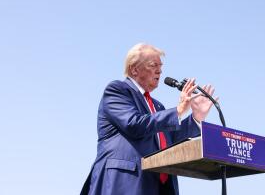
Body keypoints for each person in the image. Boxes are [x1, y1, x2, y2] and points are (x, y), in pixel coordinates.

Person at [80, 43, 216, 195]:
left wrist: (196, 117)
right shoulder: (117, 90)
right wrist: (178, 111)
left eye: (161, 65)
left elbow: (170, 140)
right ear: (134, 69)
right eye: (153, 65)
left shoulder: (158, 106)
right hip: (124, 182)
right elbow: (134, 124)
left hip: (158, 186)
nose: (160, 70)